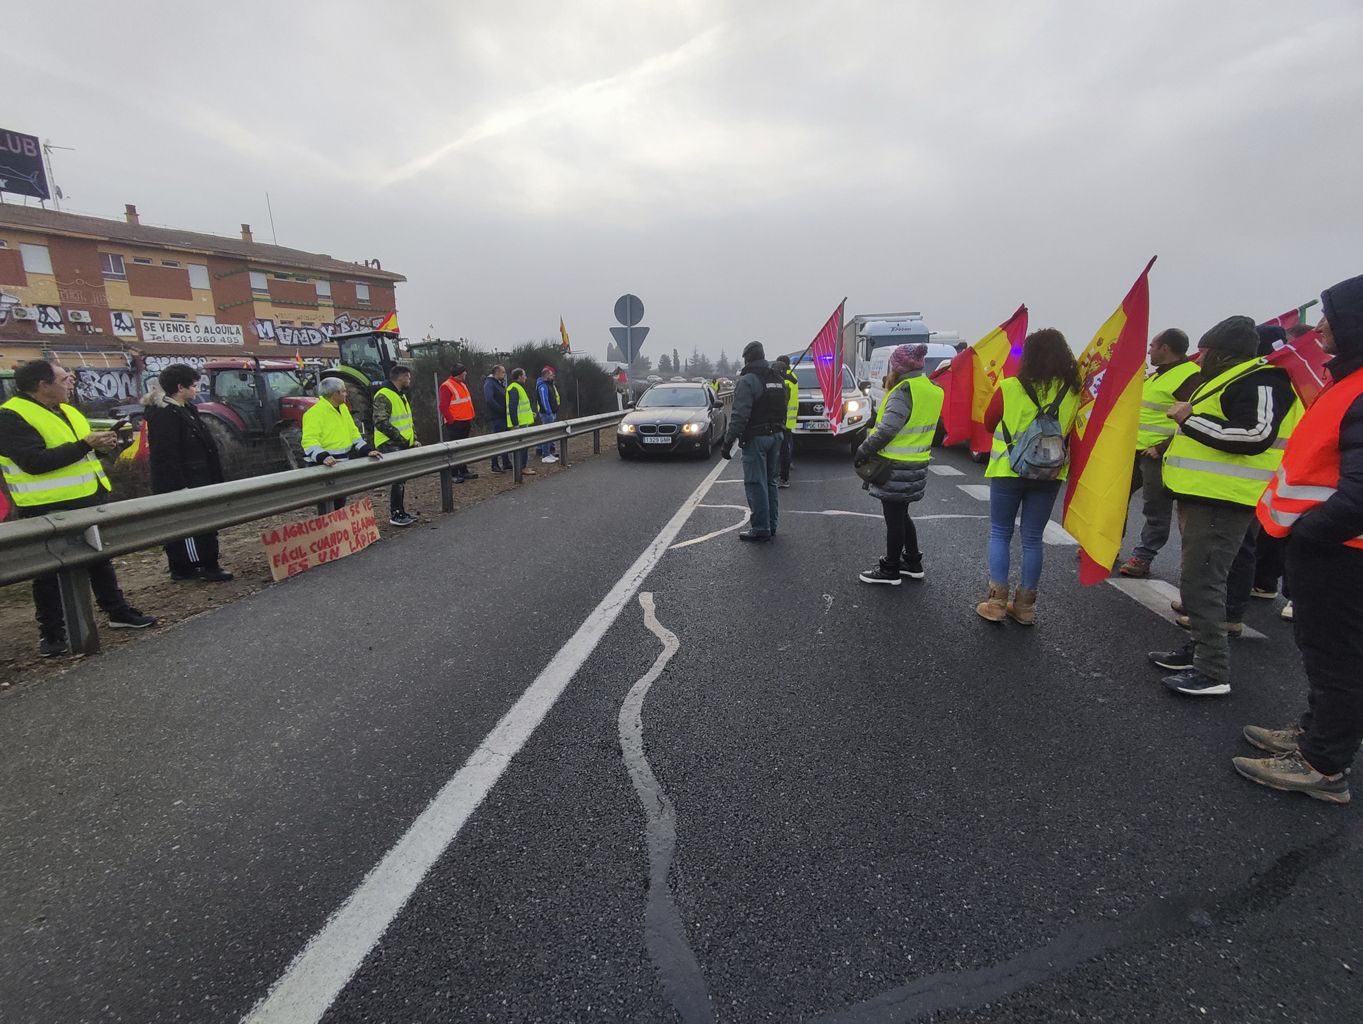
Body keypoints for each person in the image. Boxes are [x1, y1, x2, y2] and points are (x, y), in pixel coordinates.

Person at [1233, 273, 1363, 804]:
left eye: (1333, 315)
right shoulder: (1349, 381)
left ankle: (1322, 765)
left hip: (1340, 553)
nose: (1322, 325)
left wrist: (1310, 535)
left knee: (1340, 658)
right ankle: (1316, 733)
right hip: (1328, 549)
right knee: (1323, 652)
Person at [1147, 316, 1300, 697]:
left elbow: (1256, 435)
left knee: (1204, 583)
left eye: (1208, 353)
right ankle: (1200, 648)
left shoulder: (1263, 381)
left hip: (1226, 499)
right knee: (1197, 580)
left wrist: (1190, 418)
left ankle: (1212, 670)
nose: (1201, 359)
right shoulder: (1230, 380)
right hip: (1206, 495)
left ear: (1226, 354)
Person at [0, 360, 156, 657]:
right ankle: (53, 634)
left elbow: (78, 452)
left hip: (86, 499)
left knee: (100, 560)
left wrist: (102, 446)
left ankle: (118, 612)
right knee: (48, 573)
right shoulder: (11, 417)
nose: (70, 383)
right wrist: (86, 445)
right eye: (64, 379)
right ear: (42, 385)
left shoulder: (67, 410)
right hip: (46, 507)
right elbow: (34, 463)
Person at [976, 328, 1082, 625]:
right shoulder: (1073, 390)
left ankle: (996, 602)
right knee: (1033, 538)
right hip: (1050, 472)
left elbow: (988, 424)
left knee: (1001, 532)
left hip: (1008, 469)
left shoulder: (1011, 387)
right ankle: (1025, 607)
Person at [854, 344, 944, 585]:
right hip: (917, 461)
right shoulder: (932, 389)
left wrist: (863, 449)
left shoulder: (904, 391)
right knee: (902, 514)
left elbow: (888, 429)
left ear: (897, 367)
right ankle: (913, 562)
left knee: (894, 518)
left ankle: (890, 569)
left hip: (894, 465)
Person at [1117, 328, 1201, 577]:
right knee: (1116, 499)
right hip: (1135, 449)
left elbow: (1192, 417)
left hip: (1157, 454)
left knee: (1156, 509)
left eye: (1152, 345)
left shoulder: (1189, 376)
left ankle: (1143, 557)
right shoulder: (1156, 376)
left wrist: (1163, 447)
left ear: (1165, 348)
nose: (1149, 350)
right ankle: (1108, 545)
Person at [147, 363, 232, 583]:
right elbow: (166, 455)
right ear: (180, 387)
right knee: (191, 527)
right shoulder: (165, 414)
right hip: (185, 483)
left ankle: (205, 564)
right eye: (193, 386)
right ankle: (198, 566)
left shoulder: (186, 409)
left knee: (205, 524)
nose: (197, 390)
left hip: (200, 478)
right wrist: (180, 486)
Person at [721, 341, 787, 541]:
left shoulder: (748, 380)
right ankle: (771, 525)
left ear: (748, 358)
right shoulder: (777, 378)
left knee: (755, 483)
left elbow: (740, 415)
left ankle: (760, 528)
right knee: (770, 482)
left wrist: (728, 441)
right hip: (776, 435)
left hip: (757, 439)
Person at [301, 378, 382, 513]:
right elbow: (309, 440)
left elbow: (353, 433)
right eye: (343, 391)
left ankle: (334, 531)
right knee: (327, 508)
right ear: (335, 394)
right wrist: (323, 457)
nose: (346, 394)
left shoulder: (343, 409)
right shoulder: (315, 413)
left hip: (339, 464)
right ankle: (329, 532)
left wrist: (367, 450)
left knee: (339, 505)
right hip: (323, 467)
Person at [373, 364, 421, 527]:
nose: (409, 380)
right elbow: (380, 421)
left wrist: (412, 438)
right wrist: (401, 439)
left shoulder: (400, 395)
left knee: (402, 479)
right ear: (400, 377)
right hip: (389, 443)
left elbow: (408, 420)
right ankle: (396, 513)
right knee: (398, 479)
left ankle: (401, 511)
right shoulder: (384, 395)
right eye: (408, 377)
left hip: (401, 443)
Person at [439, 363, 478, 481]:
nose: (466, 373)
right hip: (455, 423)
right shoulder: (447, 386)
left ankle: (463, 470)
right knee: (453, 450)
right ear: (460, 373)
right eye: (464, 371)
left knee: (462, 448)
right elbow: (443, 406)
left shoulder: (462, 385)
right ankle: (453, 474)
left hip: (465, 420)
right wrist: (451, 421)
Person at [773, 354, 798, 488]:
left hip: (781, 419)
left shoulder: (783, 379)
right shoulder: (793, 377)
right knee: (786, 448)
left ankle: (782, 477)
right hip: (790, 420)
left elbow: (783, 400)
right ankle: (784, 475)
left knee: (781, 450)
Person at [506, 367, 537, 476]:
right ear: (519, 376)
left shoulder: (517, 387)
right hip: (519, 424)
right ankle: (522, 467)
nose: (526, 377)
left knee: (523, 446)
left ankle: (523, 466)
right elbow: (513, 407)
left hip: (522, 422)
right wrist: (515, 424)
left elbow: (520, 407)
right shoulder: (514, 388)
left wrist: (530, 413)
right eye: (524, 375)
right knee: (522, 447)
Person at [483, 364, 511, 473]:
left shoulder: (499, 383)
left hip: (504, 417)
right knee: (497, 441)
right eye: (503, 372)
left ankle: (506, 462)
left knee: (504, 440)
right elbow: (489, 399)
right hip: (497, 417)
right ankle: (494, 464)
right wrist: (500, 410)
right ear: (497, 372)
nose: (504, 375)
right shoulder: (489, 383)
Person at [535, 364, 560, 463]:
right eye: (551, 374)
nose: (553, 376)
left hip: (552, 412)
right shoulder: (543, 386)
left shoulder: (549, 384)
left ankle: (548, 453)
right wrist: (549, 412)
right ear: (546, 375)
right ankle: (545, 455)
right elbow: (544, 400)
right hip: (547, 414)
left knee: (550, 435)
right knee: (547, 434)